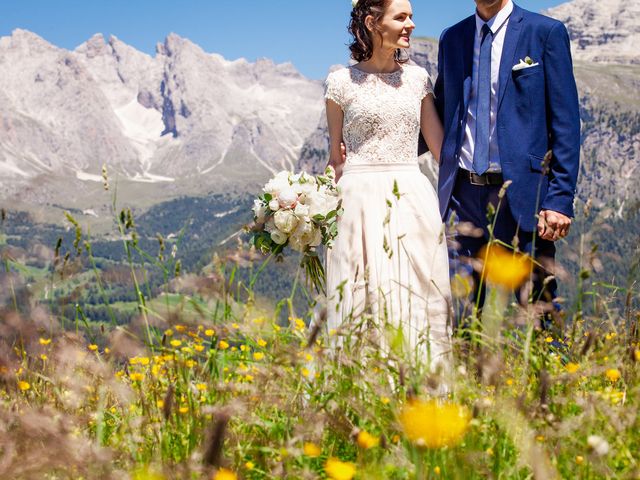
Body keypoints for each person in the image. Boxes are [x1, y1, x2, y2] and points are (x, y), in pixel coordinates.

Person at [433, 0, 580, 325]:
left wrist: (559, 198)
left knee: (540, 309)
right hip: (463, 197)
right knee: (465, 314)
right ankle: (470, 374)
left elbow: (566, 123)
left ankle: (555, 370)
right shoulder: (452, 38)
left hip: (524, 195)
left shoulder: (545, 33)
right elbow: (443, 113)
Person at [323, 0, 452, 369]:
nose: (411, 24)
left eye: (411, 16)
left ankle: (422, 390)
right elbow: (336, 160)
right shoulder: (339, 83)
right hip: (356, 203)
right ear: (373, 22)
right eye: (402, 17)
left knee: (416, 295)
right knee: (359, 300)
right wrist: (303, 206)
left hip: (411, 198)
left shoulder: (417, 79)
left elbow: (441, 149)